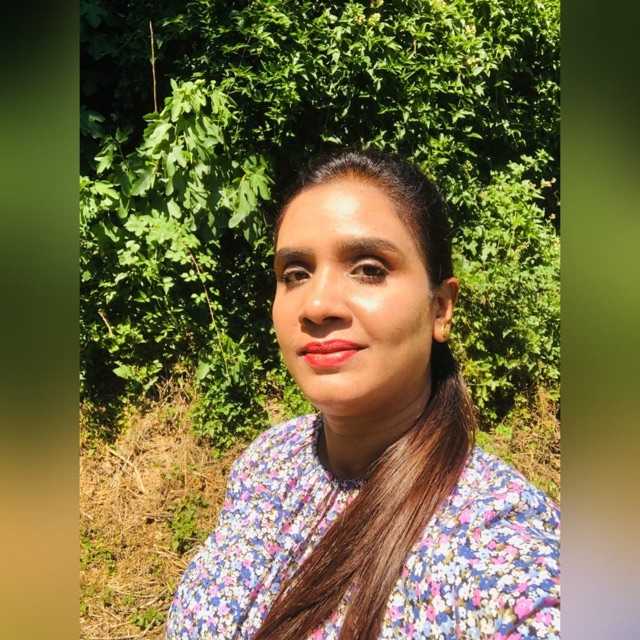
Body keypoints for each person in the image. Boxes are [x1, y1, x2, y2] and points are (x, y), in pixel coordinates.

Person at [166, 150, 560, 639]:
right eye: (295, 274)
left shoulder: (491, 544)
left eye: (369, 269)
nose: (316, 305)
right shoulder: (267, 460)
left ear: (440, 308)